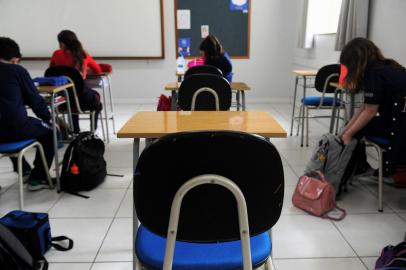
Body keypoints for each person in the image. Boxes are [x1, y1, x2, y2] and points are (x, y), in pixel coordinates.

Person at [339, 37, 406, 181]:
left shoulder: (374, 73)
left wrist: (348, 134)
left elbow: (370, 111)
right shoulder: (387, 66)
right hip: (399, 121)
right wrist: (345, 131)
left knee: (357, 130)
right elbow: (365, 106)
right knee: (352, 129)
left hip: (400, 127)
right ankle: (361, 167)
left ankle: (358, 168)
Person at [0, 37, 54, 191]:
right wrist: (49, 118)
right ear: (15, 59)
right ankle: (38, 179)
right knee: (50, 133)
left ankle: (24, 170)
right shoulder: (17, 71)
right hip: (15, 128)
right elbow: (35, 100)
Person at [50, 30, 102, 133]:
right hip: (83, 99)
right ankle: (92, 131)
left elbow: (51, 71)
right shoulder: (82, 54)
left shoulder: (56, 54)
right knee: (97, 101)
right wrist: (86, 70)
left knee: (71, 101)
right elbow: (98, 70)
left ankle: (75, 131)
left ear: (62, 43)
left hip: (62, 101)